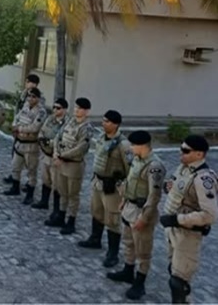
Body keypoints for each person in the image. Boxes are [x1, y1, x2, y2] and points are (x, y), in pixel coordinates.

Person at [106, 130, 165, 300]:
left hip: (141, 212)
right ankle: (128, 270)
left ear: (142, 146)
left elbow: (154, 197)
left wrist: (144, 218)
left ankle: (140, 282)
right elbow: (130, 181)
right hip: (130, 208)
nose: (130, 148)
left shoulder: (154, 166)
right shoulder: (137, 160)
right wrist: (123, 199)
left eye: (133, 145)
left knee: (143, 250)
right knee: (129, 243)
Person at [160, 135, 217, 304]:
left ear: (199, 154)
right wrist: (167, 187)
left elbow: (211, 215)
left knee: (179, 281)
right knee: (173, 271)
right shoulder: (183, 168)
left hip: (187, 234)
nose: (181, 153)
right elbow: (175, 186)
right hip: (173, 231)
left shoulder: (203, 178)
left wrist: (178, 219)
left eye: (185, 150)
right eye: (180, 148)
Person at [78, 110, 131, 269]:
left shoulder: (124, 145)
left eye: (107, 121)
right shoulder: (101, 137)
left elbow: (131, 169)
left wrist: (123, 186)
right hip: (98, 183)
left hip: (112, 187)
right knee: (97, 211)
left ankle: (113, 253)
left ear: (116, 124)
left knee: (112, 219)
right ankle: (95, 238)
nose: (103, 123)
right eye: (103, 120)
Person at [45, 97, 93, 234]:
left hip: (73, 165)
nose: (77, 110)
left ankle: (71, 221)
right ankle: (61, 215)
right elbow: (57, 138)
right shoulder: (69, 122)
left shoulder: (86, 128)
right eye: (76, 107)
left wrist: (62, 156)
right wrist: (55, 152)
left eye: (80, 109)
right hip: (61, 163)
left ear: (87, 112)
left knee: (73, 195)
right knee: (62, 192)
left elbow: (81, 148)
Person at [4, 88, 47, 205]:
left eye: (33, 96)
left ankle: (30, 195)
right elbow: (17, 118)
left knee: (31, 171)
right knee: (15, 166)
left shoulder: (41, 112)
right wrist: (14, 126)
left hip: (31, 146)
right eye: (29, 96)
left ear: (38, 98)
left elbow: (35, 128)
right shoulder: (25, 106)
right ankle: (15, 187)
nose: (31, 98)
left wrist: (19, 128)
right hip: (19, 142)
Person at [32, 98, 68, 210]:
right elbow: (42, 131)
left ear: (64, 109)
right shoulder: (50, 119)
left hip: (56, 156)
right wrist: (42, 139)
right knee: (45, 179)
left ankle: (57, 209)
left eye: (58, 108)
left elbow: (64, 140)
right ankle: (44, 201)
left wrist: (50, 143)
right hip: (46, 154)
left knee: (56, 184)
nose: (55, 110)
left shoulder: (67, 123)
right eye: (54, 107)